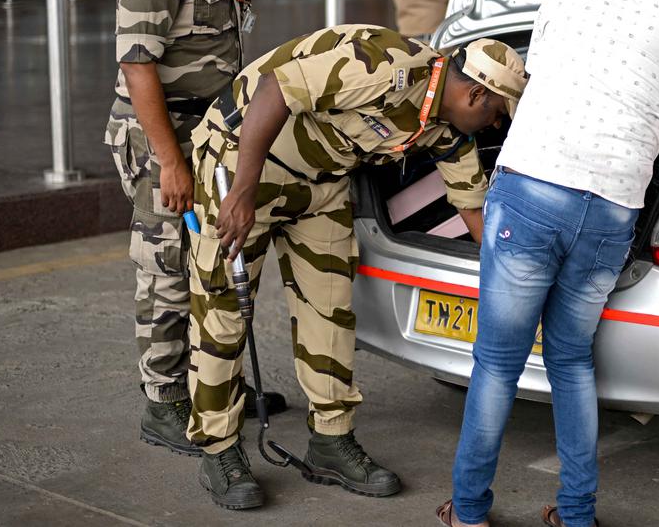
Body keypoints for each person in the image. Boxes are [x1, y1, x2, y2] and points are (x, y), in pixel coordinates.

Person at [185, 25, 528, 510]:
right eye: (496, 113)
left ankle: (330, 439)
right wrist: (241, 191)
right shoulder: (388, 66)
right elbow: (275, 88)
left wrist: (513, 287)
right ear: (475, 94)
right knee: (223, 310)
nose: (496, 125)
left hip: (320, 184)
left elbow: (475, 213)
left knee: (331, 309)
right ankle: (219, 449)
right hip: (243, 164)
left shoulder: (448, 130)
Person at [439, 0, 659, 527]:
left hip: (531, 191)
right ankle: (576, 514)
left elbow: (544, 81)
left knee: (496, 363)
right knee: (570, 360)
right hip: (613, 207)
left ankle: (467, 512)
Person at [105, 0, 281, 459]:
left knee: (204, 261)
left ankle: (210, 390)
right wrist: (170, 160)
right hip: (164, 137)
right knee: (166, 270)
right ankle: (162, 403)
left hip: (207, 129)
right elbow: (138, 67)